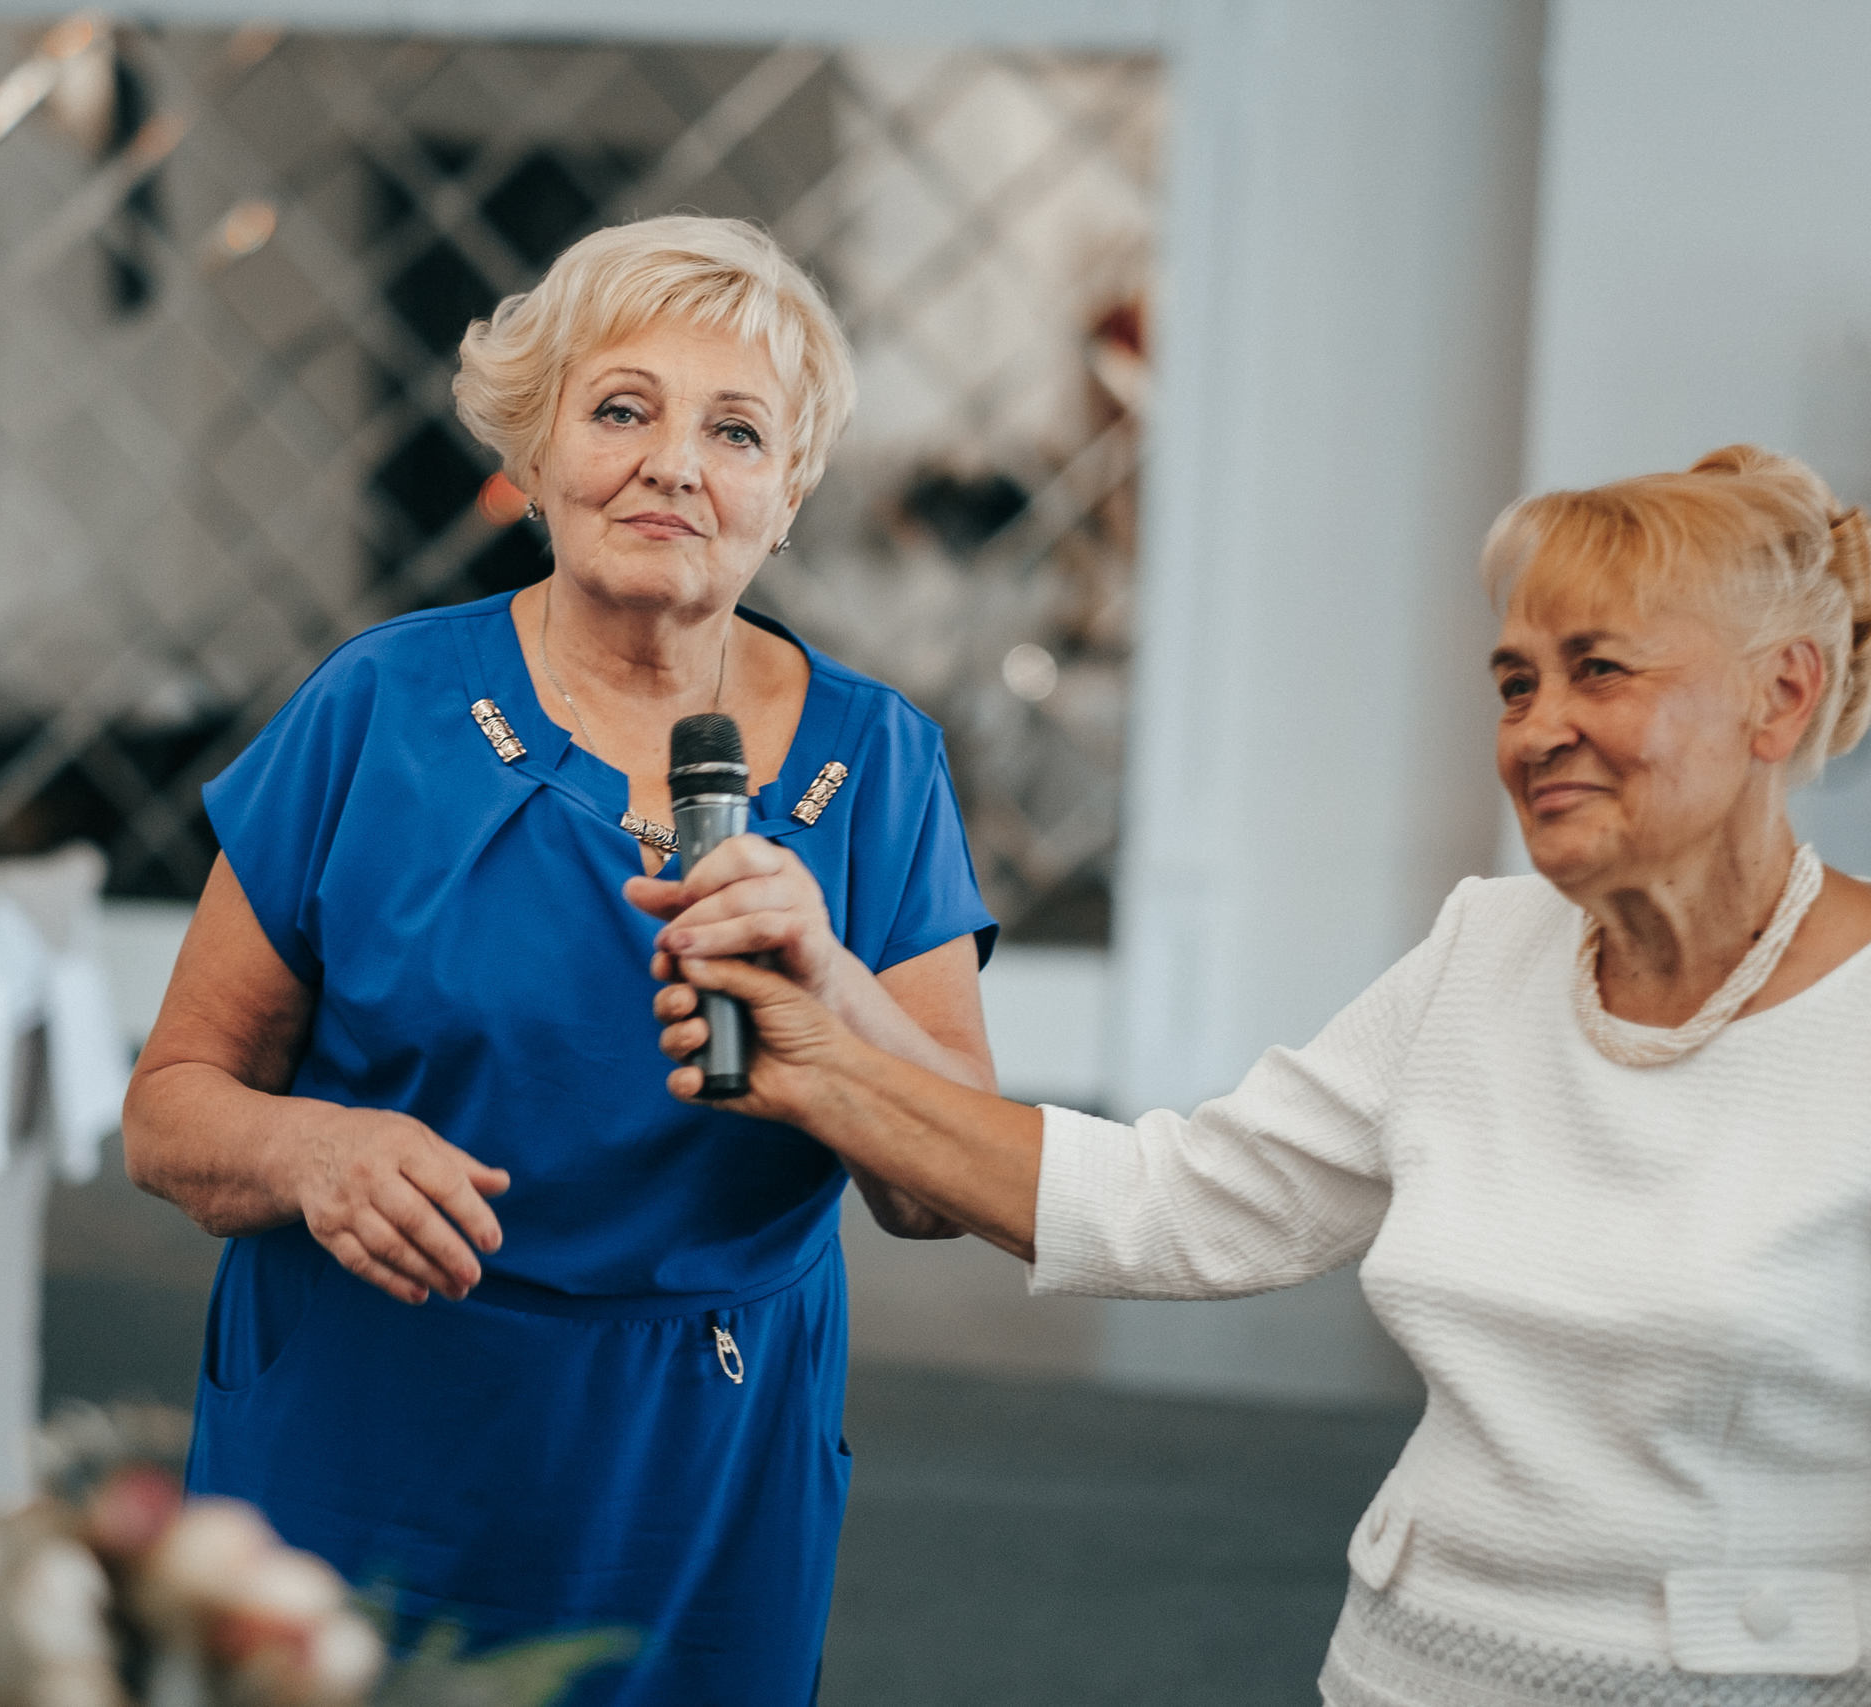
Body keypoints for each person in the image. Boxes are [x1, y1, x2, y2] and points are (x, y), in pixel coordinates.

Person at [644, 446, 1871, 1705]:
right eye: (1514, 682)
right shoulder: (1484, 951)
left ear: (1782, 695)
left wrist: (832, 1057)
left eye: (1597, 670)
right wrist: (819, 1059)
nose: (1538, 727)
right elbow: (1171, 1208)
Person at [123, 215, 999, 1703]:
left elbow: (940, 1180)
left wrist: (835, 1020)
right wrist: (315, 1149)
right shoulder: (379, 706)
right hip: (364, 1434)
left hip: (700, 1467)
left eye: (735, 428)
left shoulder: (881, 760)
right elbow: (172, 1107)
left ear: (785, 497)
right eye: (621, 409)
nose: (673, 463)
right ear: (531, 458)